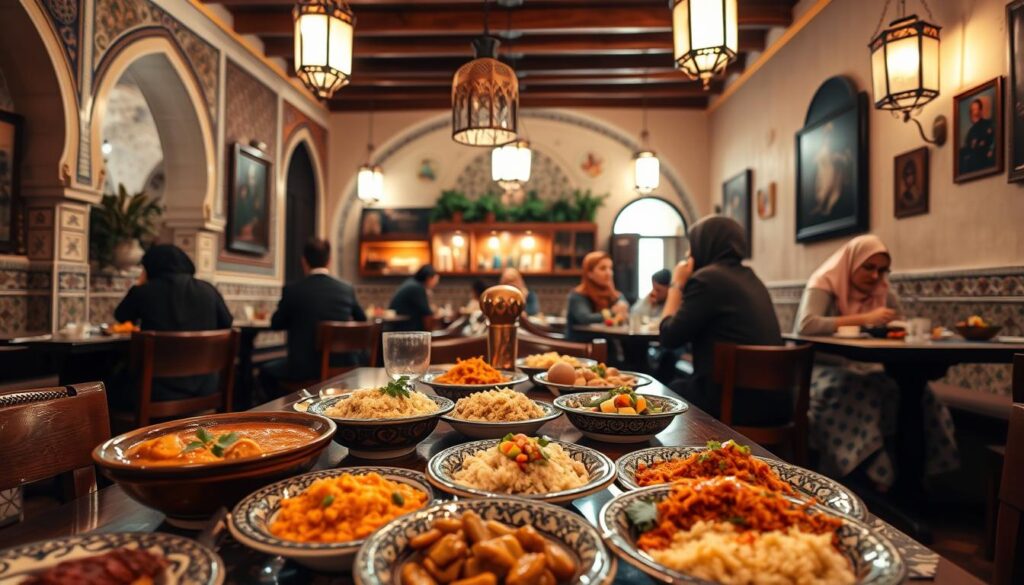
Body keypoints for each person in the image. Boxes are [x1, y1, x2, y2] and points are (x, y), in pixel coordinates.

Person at [795, 234, 958, 490]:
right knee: (861, 392)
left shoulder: (882, 290)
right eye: (868, 267)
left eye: (882, 270)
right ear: (851, 263)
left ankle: (912, 484)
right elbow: (805, 325)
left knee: (919, 393)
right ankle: (860, 478)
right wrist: (866, 318)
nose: (875, 276)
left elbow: (898, 324)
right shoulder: (824, 282)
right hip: (823, 369)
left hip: (867, 368)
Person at [658, 216, 784, 424]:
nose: (689, 254)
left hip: (732, 402)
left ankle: (674, 454)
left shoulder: (707, 279)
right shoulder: (753, 278)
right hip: (775, 402)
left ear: (704, 245)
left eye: (692, 246)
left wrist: (677, 283)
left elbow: (668, 337)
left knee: (666, 390)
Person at [114, 244, 233, 401]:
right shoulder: (208, 290)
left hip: (155, 392)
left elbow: (121, 316)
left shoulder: (144, 291)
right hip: (206, 387)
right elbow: (227, 323)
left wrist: (141, 284)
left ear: (150, 267)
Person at [261, 238, 367, 389]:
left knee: (265, 373)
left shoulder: (293, 290)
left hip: (304, 370)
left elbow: (275, 324)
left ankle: (286, 410)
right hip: (345, 367)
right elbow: (362, 320)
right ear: (329, 261)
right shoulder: (346, 289)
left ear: (304, 261)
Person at [565, 251, 627, 341]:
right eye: (603, 268)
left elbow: (623, 306)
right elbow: (585, 318)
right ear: (589, 273)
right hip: (582, 347)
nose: (609, 273)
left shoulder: (614, 294)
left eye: (610, 268)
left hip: (608, 346)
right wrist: (612, 312)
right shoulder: (577, 295)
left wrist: (622, 305)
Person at [389, 264, 439, 331]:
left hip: (401, 326)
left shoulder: (412, 283)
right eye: (434, 280)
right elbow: (426, 312)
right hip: (404, 328)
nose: (435, 283)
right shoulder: (416, 288)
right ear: (428, 278)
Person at [959, 98, 996, 174]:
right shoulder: (971, 131)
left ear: (981, 110)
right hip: (972, 165)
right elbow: (968, 146)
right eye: (973, 110)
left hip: (983, 161)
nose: (974, 113)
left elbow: (991, 142)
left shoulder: (987, 125)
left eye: (976, 109)